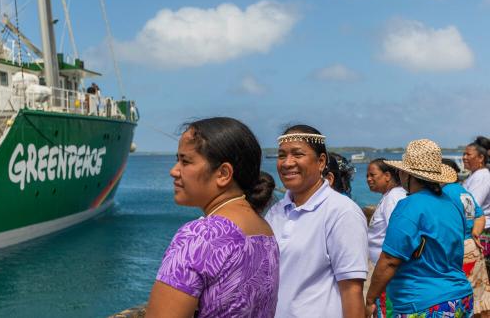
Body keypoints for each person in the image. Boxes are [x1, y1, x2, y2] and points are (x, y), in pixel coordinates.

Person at [146, 117, 279, 318]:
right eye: (177, 160)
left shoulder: (200, 236)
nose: (173, 171)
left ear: (223, 173)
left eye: (186, 161)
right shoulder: (265, 231)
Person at [265, 124, 368, 317]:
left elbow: (352, 292)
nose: (287, 163)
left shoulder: (341, 212)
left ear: (321, 162)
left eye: (297, 154)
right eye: (281, 155)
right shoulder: (275, 212)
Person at [366, 139, 473, 318]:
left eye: (401, 171)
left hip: (423, 302)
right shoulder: (452, 204)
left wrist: (370, 299)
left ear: (408, 175)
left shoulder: (409, 206)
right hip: (460, 297)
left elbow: (390, 260)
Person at [443, 158, 490, 317]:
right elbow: (480, 216)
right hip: (472, 245)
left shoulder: (445, 194)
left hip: (457, 248)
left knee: (460, 300)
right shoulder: (463, 191)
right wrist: (475, 233)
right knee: (479, 296)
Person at [366, 158, 407, 317]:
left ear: (388, 175)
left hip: (389, 272)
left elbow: (396, 235)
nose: (369, 179)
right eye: (367, 176)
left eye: (372, 175)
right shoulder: (389, 196)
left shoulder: (394, 197)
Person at [464, 136, 490, 277]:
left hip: (482, 231)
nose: (464, 157)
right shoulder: (474, 175)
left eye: (468, 154)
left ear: (481, 158)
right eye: (463, 154)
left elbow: (472, 206)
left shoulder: (482, 176)